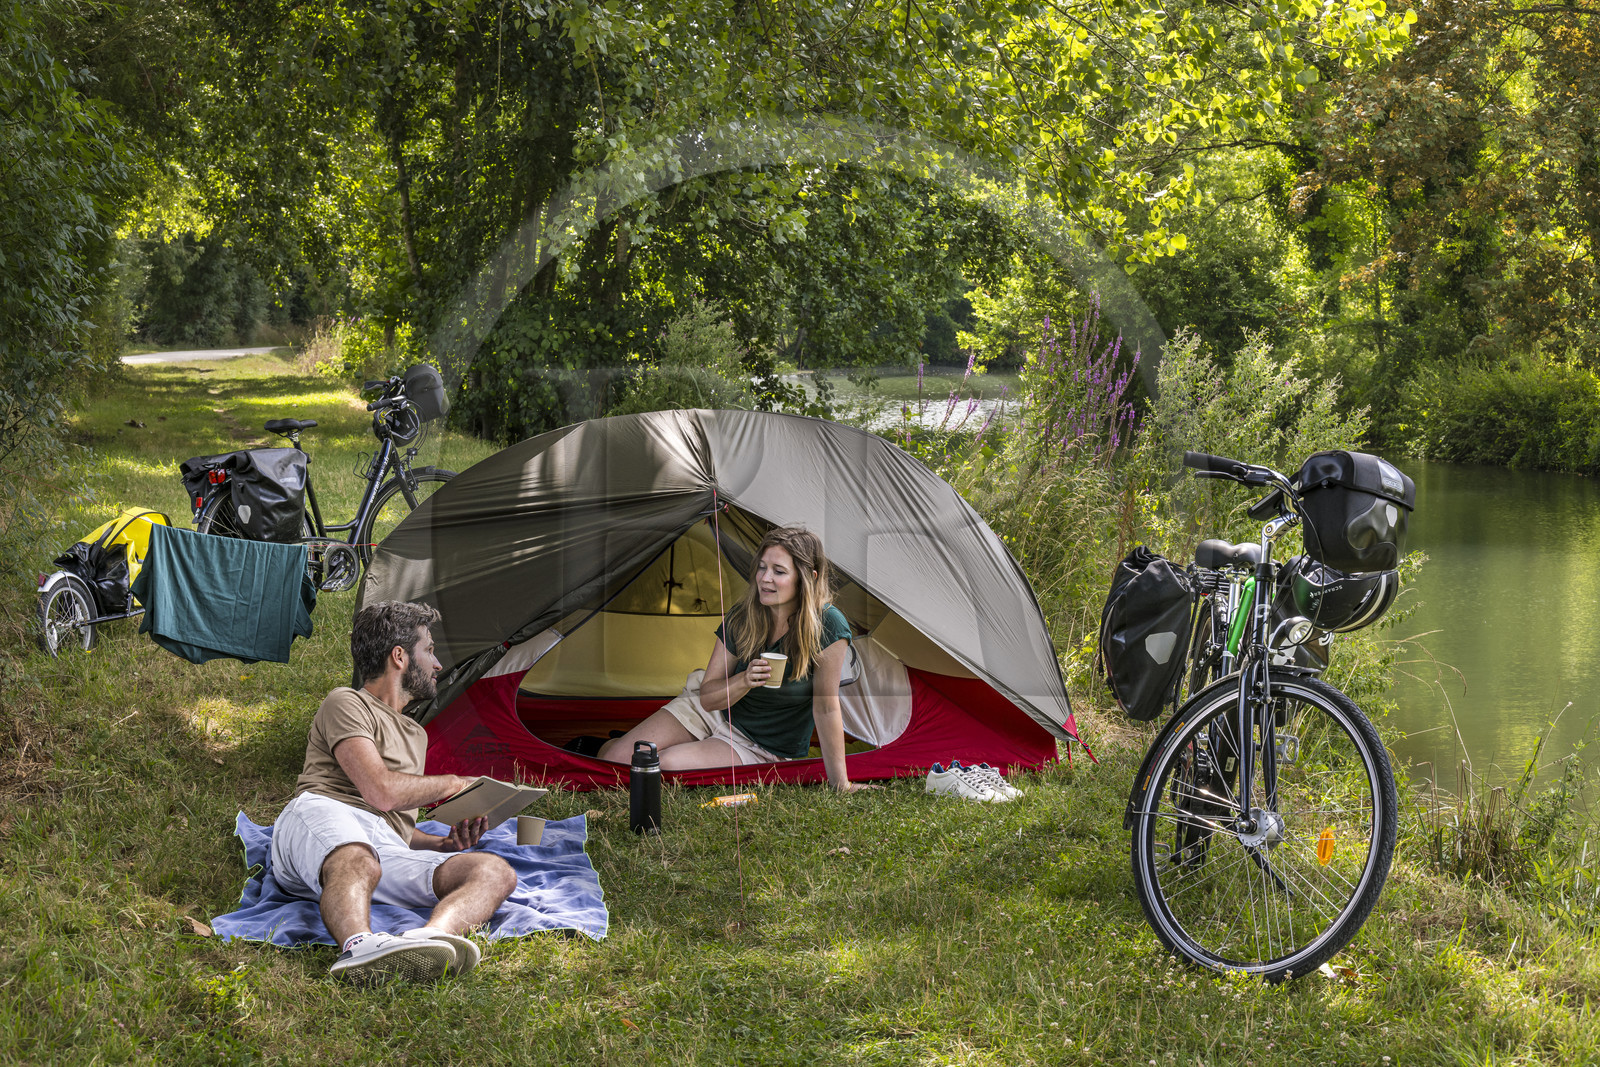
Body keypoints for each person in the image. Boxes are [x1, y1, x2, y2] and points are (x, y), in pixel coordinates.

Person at [269, 600, 517, 984]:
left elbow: (393, 821)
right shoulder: (347, 702)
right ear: (399, 656)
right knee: (358, 857)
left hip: (381, 844)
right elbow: (381, 792)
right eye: (429, 651)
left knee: (493, 871)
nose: (437, 665)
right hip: (321, 817)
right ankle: (359, 947)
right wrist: (454, 784)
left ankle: (433, 939)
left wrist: (440, 846)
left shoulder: (415, 733)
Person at [598, 526, 876, 792]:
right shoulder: (743, 615)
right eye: (762, 567)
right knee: (620, 759)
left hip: (758, 744)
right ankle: (603, 745)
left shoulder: (828, 625)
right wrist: (745, 679)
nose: (765, 578)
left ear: (808, 578)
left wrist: (841, 783)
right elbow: (708, 696)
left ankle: (663, 748)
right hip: (712, 709)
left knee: (663, 765)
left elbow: (826, 708)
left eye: (778, 571)